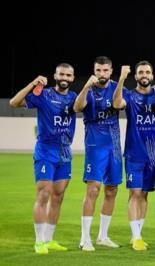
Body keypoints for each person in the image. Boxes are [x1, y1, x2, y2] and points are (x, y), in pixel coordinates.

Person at [9, 63, 77, 254]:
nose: (65, 77)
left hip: (65, 152)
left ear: (73, 78)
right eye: (61, 74)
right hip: (46, 151)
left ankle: (49, 239)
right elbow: (14, 103)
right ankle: (39, 241)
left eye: (68, 75)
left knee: (58, 196)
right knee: (43, 194)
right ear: (55, 75)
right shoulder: (43, 95)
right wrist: (32, 84)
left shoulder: (74, 98)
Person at [73, 56, 122, 251]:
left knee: (112, 190)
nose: (102, 74)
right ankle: (85, 238)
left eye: (105, 70)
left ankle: (103, 236)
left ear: (111, 71)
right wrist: (86, 86)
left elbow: (119, 105)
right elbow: (77, 108)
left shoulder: (117, 87)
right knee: (93, 190)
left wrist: (123, 80)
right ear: (95, 71)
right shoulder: (89, 89)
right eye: (98, 70)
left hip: (115, 148)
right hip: (95, 147)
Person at [113, 61, 155, 251]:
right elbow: (117, 104)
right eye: (141, 71)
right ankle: (135, 237)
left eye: (147, 72)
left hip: (152, 156)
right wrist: (122, 77)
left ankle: (138, 234)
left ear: (152, 75)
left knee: (144, 195)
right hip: (134, 154)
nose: (144, 74)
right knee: (134, 193)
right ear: (136, 76)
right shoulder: (129, 95)